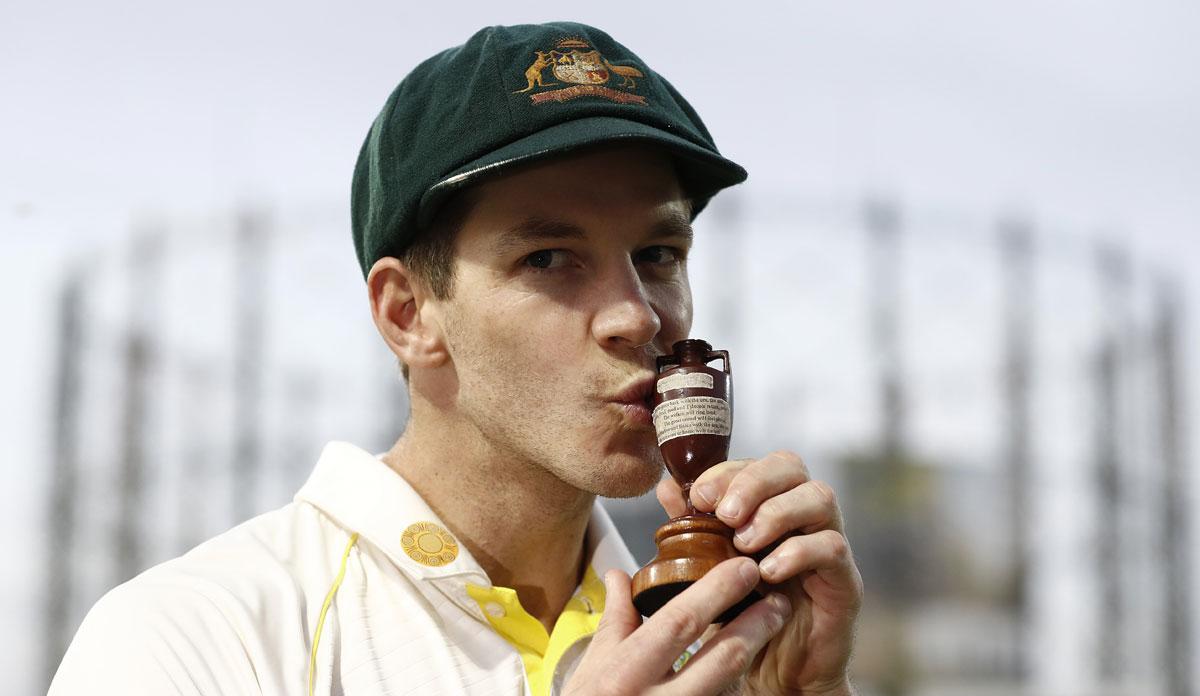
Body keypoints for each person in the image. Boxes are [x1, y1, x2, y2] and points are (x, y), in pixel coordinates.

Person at [49, 21, 862, 696]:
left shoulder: (720, 633)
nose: (635, 315)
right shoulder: (199, 635)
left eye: (657, 252)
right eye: (548, 257)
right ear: (408, 315)